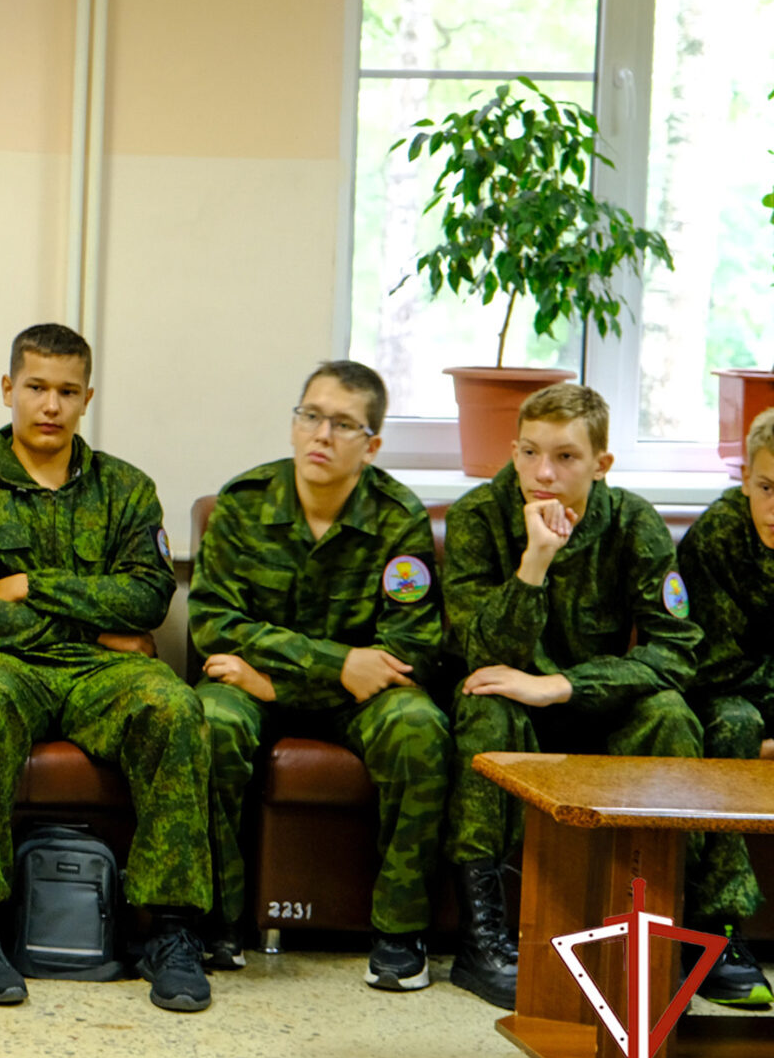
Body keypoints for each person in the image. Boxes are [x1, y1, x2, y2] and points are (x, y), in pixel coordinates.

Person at [440, 383, 756, 1010]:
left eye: (565, 457)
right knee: (483, 703)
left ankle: (694, 933)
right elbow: (481, 653)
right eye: (528, 453)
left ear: (601, 464)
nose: (542, 473)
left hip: (596, 706)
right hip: (513, 709)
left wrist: (564, 685)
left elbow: (675, 652)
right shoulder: (479, 515)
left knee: (670, 715)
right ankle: (483, 941)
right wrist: (534, 562)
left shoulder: (633, 522)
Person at [0, 323, 212, 1012]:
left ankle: (170, 933)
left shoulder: (125, 489)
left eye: (65, 391)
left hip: (97, 674)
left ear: (87, 397)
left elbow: (147, 596)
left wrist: (29, 585)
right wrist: (101, 625)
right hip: (3, 665)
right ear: (8, 390)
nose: (49, 405)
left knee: (174, 707)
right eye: (35, 388)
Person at [189, 360, 448, 991]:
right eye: (310, 416)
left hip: (351, 697)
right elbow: (213, 625)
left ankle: (398, 932)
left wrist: (281, 681)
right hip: (263, 687)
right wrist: (335, 663)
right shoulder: (244, 503)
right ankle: (219, 921)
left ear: (372, 444)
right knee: (211, 722)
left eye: (342, 424)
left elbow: (409, 647)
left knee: (420, 727)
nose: (321, 436)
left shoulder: (396, 516)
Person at [672, 407, 774, 1005]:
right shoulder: (719, 536)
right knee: (733, 724)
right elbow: (714, 664)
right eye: (766, 488)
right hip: (725, 695)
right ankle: (715, 932)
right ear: (745, 481)